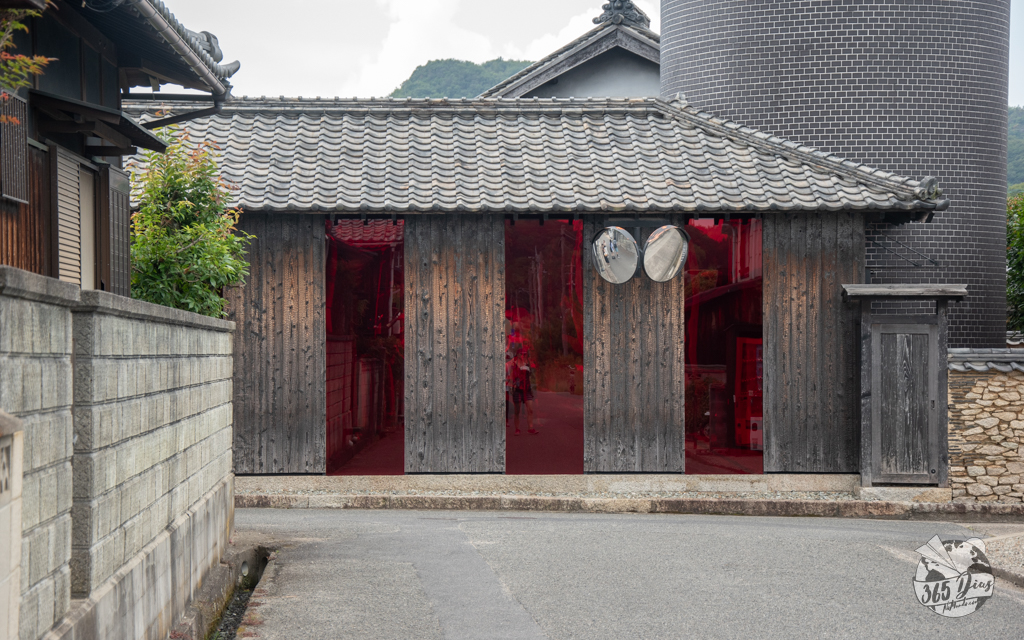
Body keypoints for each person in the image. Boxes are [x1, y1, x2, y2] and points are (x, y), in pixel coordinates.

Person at [508, 345, 538, 435]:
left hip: (527, 389)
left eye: (525, 354)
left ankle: (530, 428)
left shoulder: (528, 363)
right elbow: (511, 376)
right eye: (522, 354)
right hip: (518, 390)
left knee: (530, 409)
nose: (523, 356)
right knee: (517, 411)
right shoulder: (514, 364)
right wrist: (512, 385)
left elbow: (530, 376)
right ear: (518, 354)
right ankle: (517, 429)